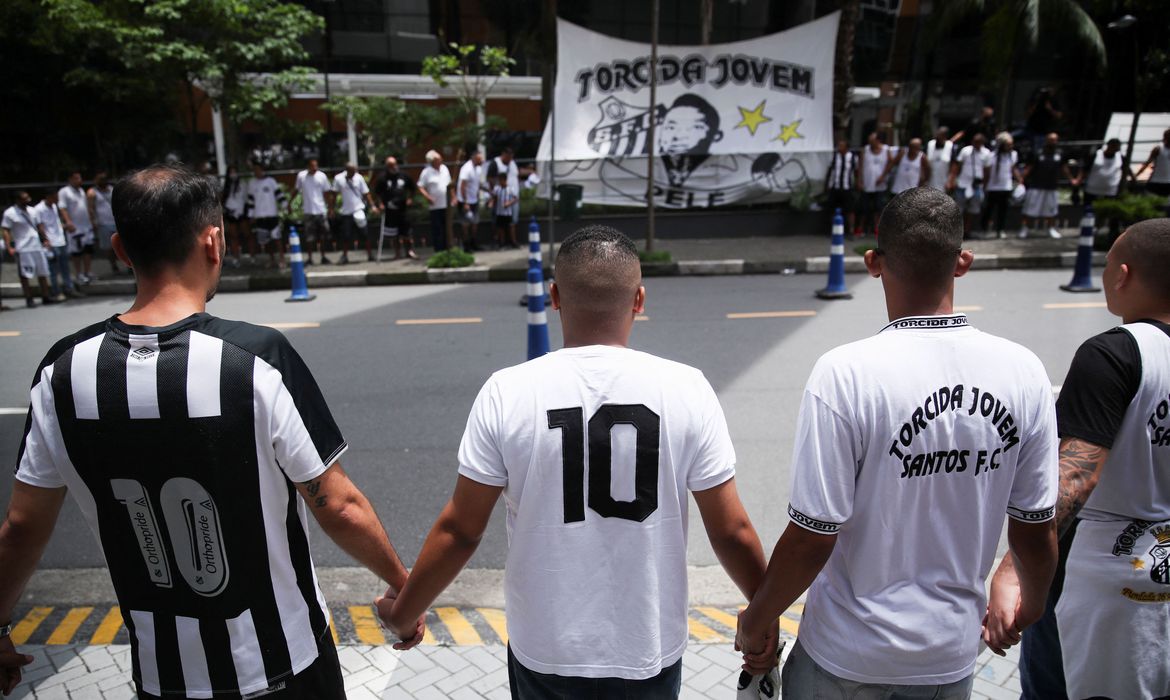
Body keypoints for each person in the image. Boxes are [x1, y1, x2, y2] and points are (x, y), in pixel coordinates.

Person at [0, 164, 424, 699]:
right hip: (284, 662)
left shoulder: (60, 373)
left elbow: (22, 526)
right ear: (213, 242)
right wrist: (403, 590)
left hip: (163, 674)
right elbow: (338, 505)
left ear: (121, 249)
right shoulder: (255, 358)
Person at [381, 225, 773, 697]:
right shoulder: (687, 388)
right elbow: (730, 531)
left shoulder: (507, 391)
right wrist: (763, 615)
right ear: (639, 300)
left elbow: (461, 531)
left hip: (546, 649)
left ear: (554, 297)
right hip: (646, 647)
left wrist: (404, 612)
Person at [736, 187, 1059, 697]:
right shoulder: (1024, 373)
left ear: (873, 262)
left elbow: (813, 535)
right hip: (947, 655)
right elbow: (1036, 527)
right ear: (963, 262)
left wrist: (758, 619)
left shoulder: (846, 374)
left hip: (845, 654)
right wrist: (1031, 604)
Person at [986, 218, 1170, 700]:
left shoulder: (1116, 354)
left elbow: (1073, 479)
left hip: (1096, 581)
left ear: (1122, 275)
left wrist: (1015, 573)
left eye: (1108, 263)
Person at [1, 191, 62, 307]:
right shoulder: (10, 213)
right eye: (24, 199)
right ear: (18, 200)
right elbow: (6, 231)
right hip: (23, 248)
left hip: (37, 246)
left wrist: (45, 239)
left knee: (42, 272)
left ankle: (45, 296)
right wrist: (9, 247)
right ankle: (29, 298)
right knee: (25, 274)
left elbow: (39, 226)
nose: (28, 200)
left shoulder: (33, 211)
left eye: (28, 198)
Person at [1020, 132, 1077, 239]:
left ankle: (1051, 228)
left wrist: (1071, 179)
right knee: (1030, 209)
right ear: (1046, 140)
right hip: (1036, 185)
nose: (1053, 142)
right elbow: (1029, 167)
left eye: (1055, 140)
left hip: (1052, 186)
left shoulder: (1060, 154)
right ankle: (1025, 228)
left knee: (1051, 209)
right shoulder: (1037, 152)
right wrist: (1021, 178)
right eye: (1051, 140)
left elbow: (1064, 168)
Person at [32, 190, 82, 299]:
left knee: (65, 267)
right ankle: (56, 291)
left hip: (61, 240)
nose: (57, 200)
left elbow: (55, 223)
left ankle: (69, 288)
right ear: (48, 197)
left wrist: (66, 227)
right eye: (55, 198)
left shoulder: (54, 206)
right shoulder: (38, 209)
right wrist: (45, 239)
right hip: (51, 242)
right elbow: (40, 226)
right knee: (53, 269)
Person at [371, 156, 417, 261]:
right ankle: (397, 253)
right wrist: (380, 204)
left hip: (403, 208)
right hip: (390, 210)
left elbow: (413, 188)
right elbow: (377, 192)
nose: (394, 167)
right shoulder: (382, 178)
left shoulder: (404, 175)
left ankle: (409, 251)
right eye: (391, 166)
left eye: (395, 164)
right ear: (387, 167)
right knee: (393, 233)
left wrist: (410, 198)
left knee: (406, 232)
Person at [245, 162, 288, 268]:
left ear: (262, 170)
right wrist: (250, 215)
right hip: (259, 216)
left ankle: (282, 259)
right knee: (266, 240)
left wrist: (285, 205)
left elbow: (279, 195)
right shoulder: (252, 183)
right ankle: (271, 259)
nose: (257, 172)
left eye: (258, 169)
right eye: (255, 170)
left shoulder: (271, 181)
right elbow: (250, 201)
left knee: (277, 238)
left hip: (272, 214)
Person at [949, 132, 991, 238]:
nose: (975, 144)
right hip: (963, 183)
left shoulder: (986, 153)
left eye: (978, 142)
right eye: (974, 142)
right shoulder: (966, 151)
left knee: (972, 210)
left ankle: (967, 230)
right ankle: (957, 231)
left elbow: (987, 171)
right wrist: (953, 180)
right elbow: (957, 166)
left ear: (982, 143)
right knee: (958, 209)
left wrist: (985, 185)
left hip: (977, 185)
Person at [330, 163, 374, 264]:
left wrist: (372, 206)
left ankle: (370, 254)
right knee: (346, 235)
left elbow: (366, 193)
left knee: (365, 234)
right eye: (352, 171)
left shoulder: (359, 178)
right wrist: (331, 209)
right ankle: (344, 256)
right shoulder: (339, 178)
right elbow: (334, 194)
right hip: (346, 212)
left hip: (358, 210)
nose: (354, 173)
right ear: (347, 170)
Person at [293, 159, 333, 265]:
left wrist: (330, 208)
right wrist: (290, 203)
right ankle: (310, 258)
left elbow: (326, 193)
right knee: (309, 237)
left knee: (323, 235)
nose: (314, 168)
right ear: (308, 166)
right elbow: (296, 190)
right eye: (312, 166)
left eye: (316, 166)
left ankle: (323, 256)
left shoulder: (322, 176)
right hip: (308, 210)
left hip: (321, 210)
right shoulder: (301, 176)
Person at [981, 132, 1021, 239]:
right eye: (1008, 144)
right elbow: (987, 173)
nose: (1011, 146)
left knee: (1003, 211)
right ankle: (984, 229)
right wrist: (984, 185)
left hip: (1006, 187)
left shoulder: (1013, 155)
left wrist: (1020, 180)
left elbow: (1013, 169)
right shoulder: (991, 156)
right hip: (992, 188)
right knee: (988, 210)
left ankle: (1000, 229)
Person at [58, 171, 94, 285]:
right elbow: (62, 207)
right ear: (70, 179)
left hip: (86, 225)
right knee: (77, 252)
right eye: (76, 178)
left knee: (88, 249)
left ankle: (87, 272)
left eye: (80, 178)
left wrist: (91, 221)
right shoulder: (64, 192)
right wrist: (68, 222)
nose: (79, 180)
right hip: (75, 227)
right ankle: (79, 274)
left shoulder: (81, 191)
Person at [88, 171, 124, 275]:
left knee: (123, 244)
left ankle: (128, 265)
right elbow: (90, 208)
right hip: (103, 223)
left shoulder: (112, 189)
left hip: (115, 221)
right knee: (109, 247)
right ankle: (114, 265)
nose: (102, 181)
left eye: (104, 179)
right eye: (100, 179)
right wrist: (93, 221)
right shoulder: (92, 192)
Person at [857, 132, 891, 238]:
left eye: (872, 141)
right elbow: (860, 166)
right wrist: (859, 180)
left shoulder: (886, 150)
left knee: (878, 207)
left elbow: (890, 163)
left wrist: (883, 176)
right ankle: (861, 227)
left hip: (880, 185)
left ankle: (877, 228)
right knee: (864, 207)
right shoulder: (865, 150)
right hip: (867, 183)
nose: (870, 143)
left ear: (878, 140)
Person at [418, 150, 452, 252]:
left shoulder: (444, 168)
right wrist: (428, 197)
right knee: (437, 229)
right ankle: (439, 250)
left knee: (447, 228)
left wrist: (453, 197)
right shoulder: (426, 172)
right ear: (432, 161)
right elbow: (420, 186)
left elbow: (449, 184)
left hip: (446, 204)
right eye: (438, 159)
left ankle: (447, 248)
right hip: (435, 206)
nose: (441, 160)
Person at [823, 140, 858, 232]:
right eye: (839, 145)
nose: (839, 147)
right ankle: (833, 229)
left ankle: (851, 230)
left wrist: (857, 183)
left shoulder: (852, 157)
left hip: (847, 187)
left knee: (850, 209)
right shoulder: (835, 156)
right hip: (835, 186)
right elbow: (830, 170)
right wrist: (827, 184)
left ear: (846, 147)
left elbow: (856, 171)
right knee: (831, 209)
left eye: (841, 146)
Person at [221, 165, 250, 266]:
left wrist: (246, 211)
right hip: (231, 213)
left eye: (234, 172)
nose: (233, 174)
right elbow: (224, 200)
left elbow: (246, 199)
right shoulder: (226, 186)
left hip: (242, 212)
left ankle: (252, 256)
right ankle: (236, 257)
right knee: (233, 236)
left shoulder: (242, 184)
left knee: (247, 234)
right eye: (231, 172)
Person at [457, 151, 485, 251]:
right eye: (479, 159)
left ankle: (474, 243)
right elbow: (462, 186)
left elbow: (476, 184)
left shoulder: (478, 169)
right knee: (465, 224)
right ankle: (466, 245)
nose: (482, 161)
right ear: (474, 158)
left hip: (474, 200)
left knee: (474, 223)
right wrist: (465, 202)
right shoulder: (466, 169)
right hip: (465, 201)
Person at [1135, 127, 1170, 205]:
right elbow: (1147, 163)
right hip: (1155, 182)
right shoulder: (1158, 149)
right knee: (1152, 204)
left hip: (1168, 183)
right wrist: (1136, 176)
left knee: (1166, 207)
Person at [487, 171, 519, 250]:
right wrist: (491, 203)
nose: (500, 182)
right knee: (500, 228)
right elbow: (494, 197)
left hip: (508, 213)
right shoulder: (497, 189)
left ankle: (513, 242)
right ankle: (502, 243)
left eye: (501, 180)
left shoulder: (510, 189)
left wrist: (509, 203)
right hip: (499, 212)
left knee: (511, 227)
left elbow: (516, 198)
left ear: (504, 180)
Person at [926, 126, 955, 192]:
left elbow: (954, 165)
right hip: (929, 182)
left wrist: (950, 181)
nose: (938, 137)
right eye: (938, 134)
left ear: (945, 136)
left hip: (944, 182)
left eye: (941, 135)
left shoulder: (950, 146)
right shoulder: (930, 144)